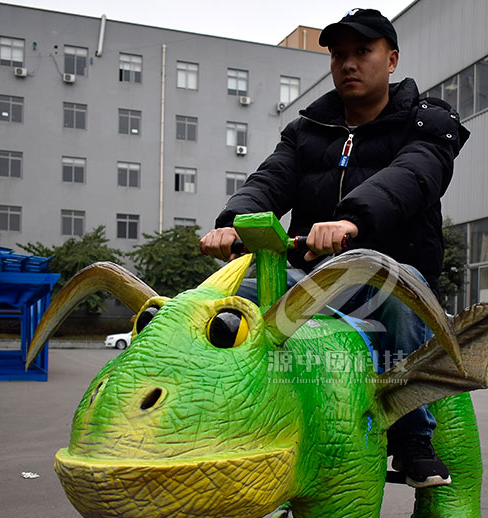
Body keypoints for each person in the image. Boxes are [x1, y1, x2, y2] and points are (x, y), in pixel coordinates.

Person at [200, 8, 469, 488]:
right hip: (317, 278)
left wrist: (352, 220)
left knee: (407, 310)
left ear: (391, 60)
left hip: (390, 275)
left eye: (362, 52)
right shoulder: (307, 131)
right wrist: (232, 225)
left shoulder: (428, 122)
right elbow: (269, 180)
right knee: (240, 291)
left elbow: (414, 174)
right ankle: (228, 412)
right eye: (338, 54)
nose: (348, 63)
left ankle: (411, 438)